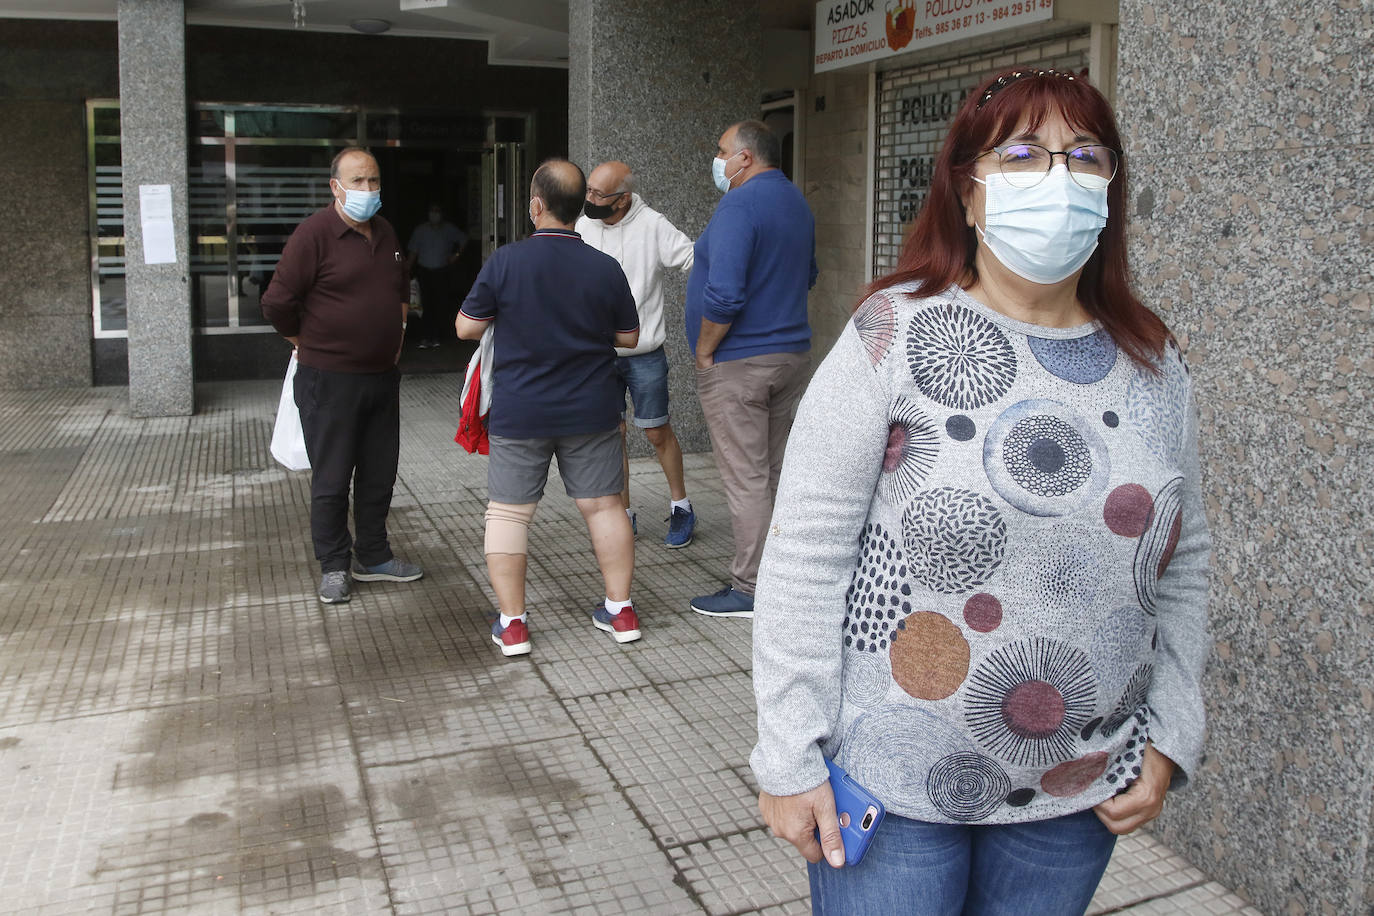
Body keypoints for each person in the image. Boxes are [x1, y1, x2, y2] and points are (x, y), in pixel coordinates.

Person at [750, 69, 1212, 915]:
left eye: (1086, 156)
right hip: (891, 786)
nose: (1059, 177)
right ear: (967, 193)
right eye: (1024, 153)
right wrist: (788, 754)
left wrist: (1173, 729)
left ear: (1111, 189)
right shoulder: (893, 332)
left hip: (1078, 785)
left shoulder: (1154, 364)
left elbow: (1184, 559)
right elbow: (807, 550)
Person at [455, 159, 643, 657]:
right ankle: (621, 611)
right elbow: (629, 336)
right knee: (605, 506)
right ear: (581, 207)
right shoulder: (605, 266)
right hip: (593, 407)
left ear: (536, 205)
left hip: (522, 411)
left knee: (509, 514)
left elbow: (465, 328)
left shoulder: (505, 262)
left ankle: (513, 625)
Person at [261, 146, 424, 604]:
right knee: (332, 478)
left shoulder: (386, 231)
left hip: (380, 377)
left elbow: (398, 291)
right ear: (335, 187)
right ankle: (334, 564)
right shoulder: (313, 234)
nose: (367, 190)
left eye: (373, 181)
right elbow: (276, 302)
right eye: (357, 182)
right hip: (328, 379)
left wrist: (399, 333)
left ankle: (373, 555)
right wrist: (301, 340)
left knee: (378, 474)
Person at [686, 120, 817, 619]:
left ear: (744, 158)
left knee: (747, 477)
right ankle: (788, 578)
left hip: (740, 362)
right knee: (776, 471)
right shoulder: (795, 201)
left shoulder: (739, 203)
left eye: (722, 151)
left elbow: (725, 292)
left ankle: (751, 588)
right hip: (789, 355)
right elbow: (808, 274)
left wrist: (704, 349)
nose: (717, 161)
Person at [576, 161, 698, 549]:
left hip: (644, 353)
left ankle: (681, 506)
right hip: (597, 354)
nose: (589, 200)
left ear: (624, 198)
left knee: (657, 431)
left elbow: (695, 260)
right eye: (588, 191)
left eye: (598, 194)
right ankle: (623, 515)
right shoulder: (583, 227)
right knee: (615, 435)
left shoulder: (653, 225)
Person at [406, 202, 468, 349]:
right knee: (424, 305)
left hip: (441, 272)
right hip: (424, 272)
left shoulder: (448, 229)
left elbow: (464, 239)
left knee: (440, 304)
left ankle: (437, 337)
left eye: (437, 211)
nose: (435, 214)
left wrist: (456, 255)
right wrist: (406, 270)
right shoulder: (421, 230)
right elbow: (413, 252)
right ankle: (425, 337)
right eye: (432, 211)